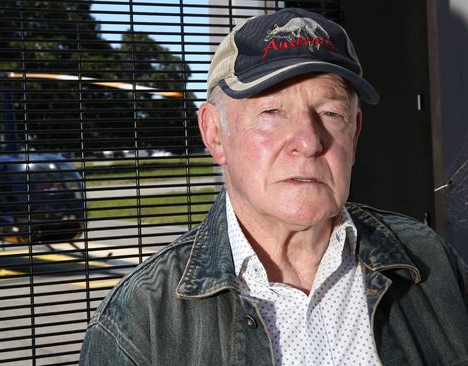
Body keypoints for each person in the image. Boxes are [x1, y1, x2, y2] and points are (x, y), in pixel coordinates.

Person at [79, 7, 468, 365]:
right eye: (271, 112)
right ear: (215, 134)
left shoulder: (429, 264)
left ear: (355, 134)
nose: (310, 141)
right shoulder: (141, 320)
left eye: (331, 113)